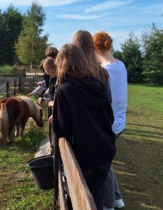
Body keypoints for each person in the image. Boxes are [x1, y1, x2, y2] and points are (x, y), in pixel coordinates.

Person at [52, 44, 116, 210]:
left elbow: (61, 130)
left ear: (61, 63)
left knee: (79, 200)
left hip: (83, 156)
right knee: (96, 198)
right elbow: (109, 117)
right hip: (104, 150)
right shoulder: (98, 84)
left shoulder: (63, 91)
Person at [93, 31, 127, 210]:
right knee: (107, 161)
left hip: (109, 125)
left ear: (95, 49)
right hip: (120, 121)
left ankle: (108, 205)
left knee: (102, 164)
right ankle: (116, 198)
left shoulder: (104, 71)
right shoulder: (120, 65)